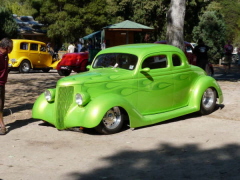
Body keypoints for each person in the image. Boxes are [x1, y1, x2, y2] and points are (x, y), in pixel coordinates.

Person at [0, 38, 13, 135]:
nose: (12, 50)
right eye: (11, 48)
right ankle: (2, 125)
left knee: (1, 104)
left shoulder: (5, 55)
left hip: (2, 83)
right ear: (6, 47)